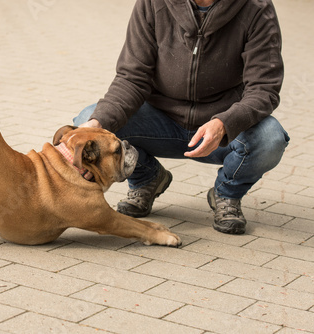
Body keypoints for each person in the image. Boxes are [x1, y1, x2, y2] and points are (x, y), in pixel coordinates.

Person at [74, 0, 290, 234]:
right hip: (159, 120)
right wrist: (96, 123)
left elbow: (264, 89)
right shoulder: (152, 3)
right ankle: (147, 178)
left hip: (221, 125)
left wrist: (224, 124)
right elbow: (132, 79)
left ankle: (226, 194)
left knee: (270, 138)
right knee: (90, 120)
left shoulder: (256, 8)